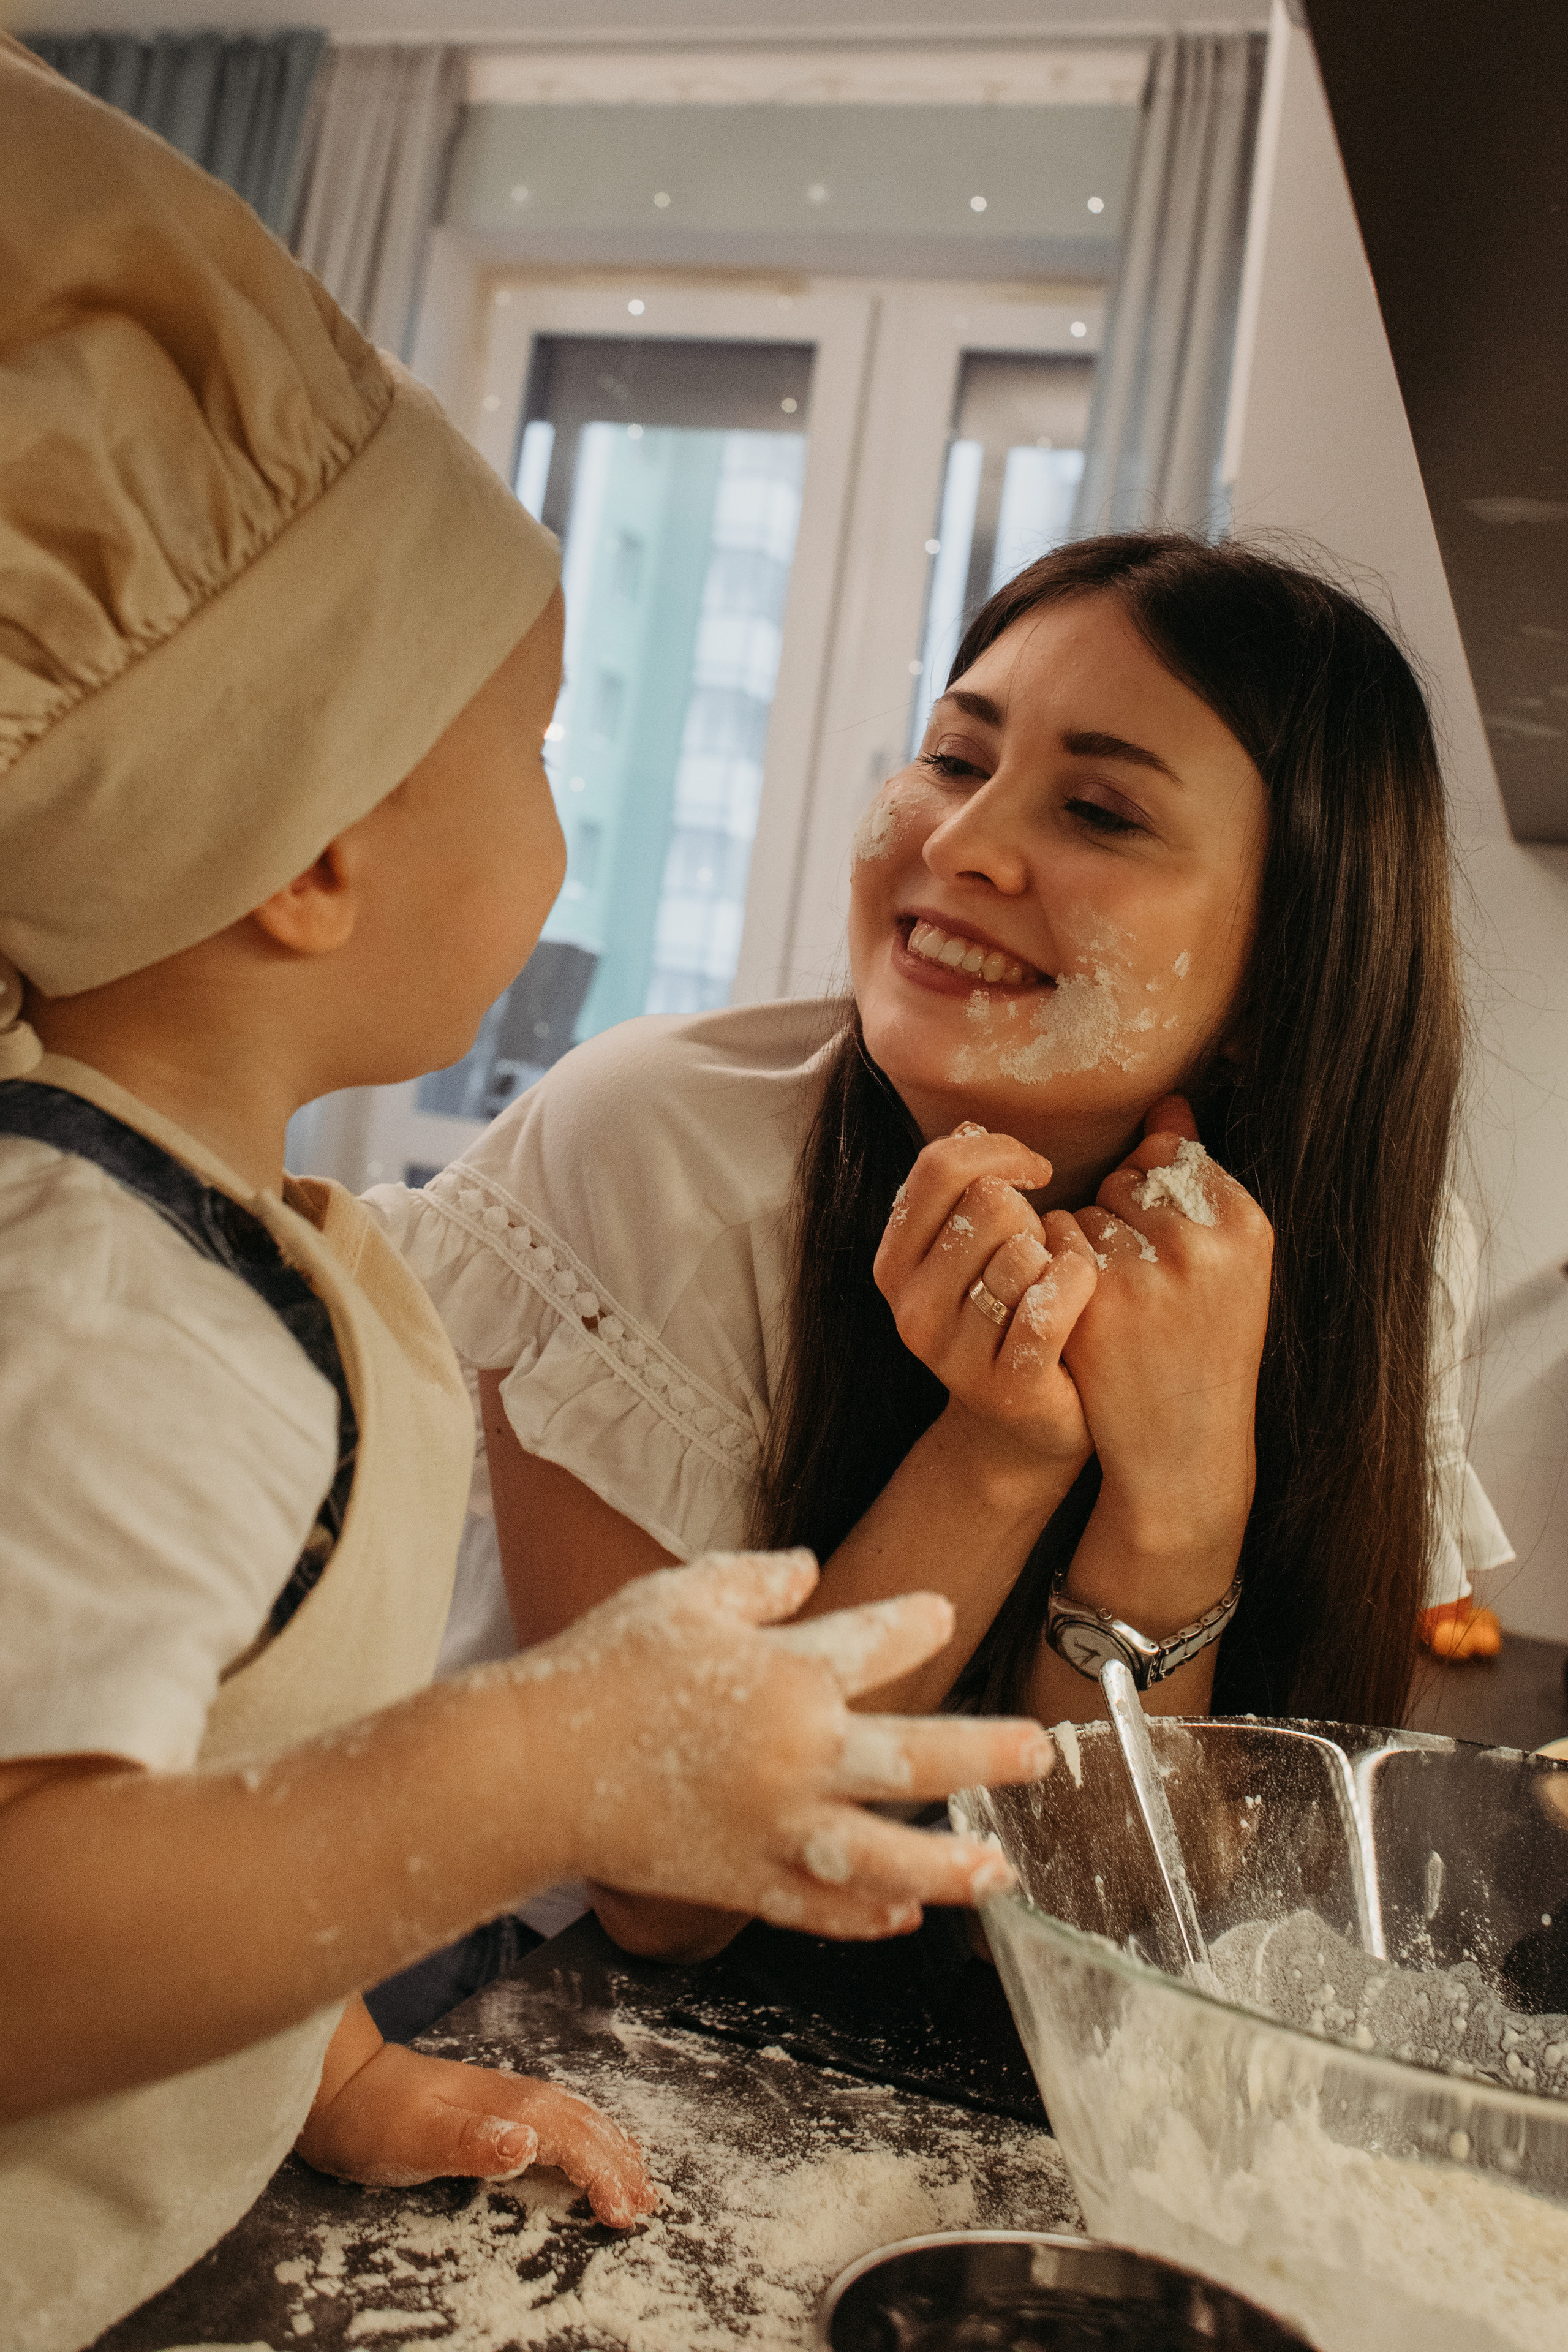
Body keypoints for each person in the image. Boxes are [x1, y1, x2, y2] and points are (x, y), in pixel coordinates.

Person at [0, 42, 1050, 2352]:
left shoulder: (243, 1250)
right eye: (543, 739)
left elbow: (206, 1797)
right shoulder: (98, 1308)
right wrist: (542, 1763)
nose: (567, 803)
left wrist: (339, 2074)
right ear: (314, 863)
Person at [377, 528, 1509, 1968]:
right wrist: (997, 1453)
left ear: (1290, 959)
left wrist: (1176, 1501)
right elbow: (667, 1893)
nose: (959, 844)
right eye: (954, 760)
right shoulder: (653, 1142)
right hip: (509, 1999)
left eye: (1097, 812)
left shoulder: (1380, 1262)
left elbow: (1107, 1931)